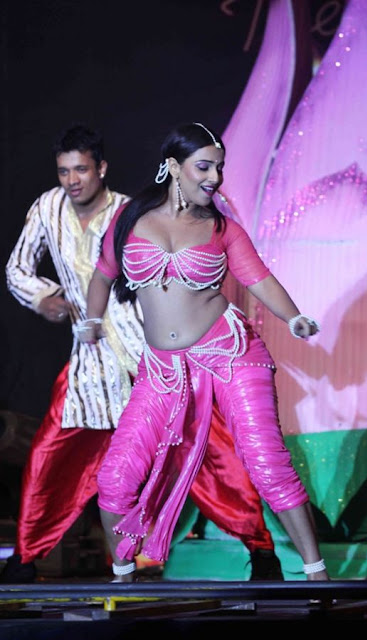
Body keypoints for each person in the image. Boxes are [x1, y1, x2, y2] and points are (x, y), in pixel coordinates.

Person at [3, 123, 285, 583]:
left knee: (209, 451)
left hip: (151, 356)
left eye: (81, 170)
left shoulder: (132, 212)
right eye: (64, 171)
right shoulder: (46, 208)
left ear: (101, 169)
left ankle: (261, 548)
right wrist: (43, 297)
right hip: (91, 365)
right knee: (51, 456)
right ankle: (26, 557)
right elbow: (17, 268)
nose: (72, 180)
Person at [79, 121, 329, 582]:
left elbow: (259, 278)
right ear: (174, 167)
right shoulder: (130, 219)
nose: (215, 178)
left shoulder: (221, 228)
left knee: (267, 464)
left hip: (230, 352)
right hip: (163, 369)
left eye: (219, 168)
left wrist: (293, 316)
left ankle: (317, 576)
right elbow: (102, 273)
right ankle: (123, 581)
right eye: (204, 167)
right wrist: (92, 320)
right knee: (114, 478)